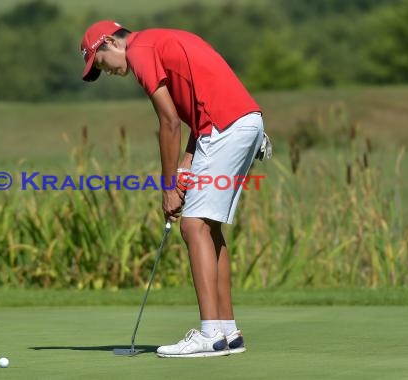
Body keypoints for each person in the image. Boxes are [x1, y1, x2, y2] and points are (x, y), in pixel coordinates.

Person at [80, 20, 270, 358]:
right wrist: (183, 168)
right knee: (208, 226)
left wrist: (168, 186)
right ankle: (227, 331)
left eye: (100, 63)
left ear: (110, 42)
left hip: (225, 126)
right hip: (243, 121)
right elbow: (196, 116)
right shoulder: (161, 40)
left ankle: (209, 335)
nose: (105, 72)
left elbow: (168, 121)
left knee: (192, 225)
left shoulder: (139, 52)